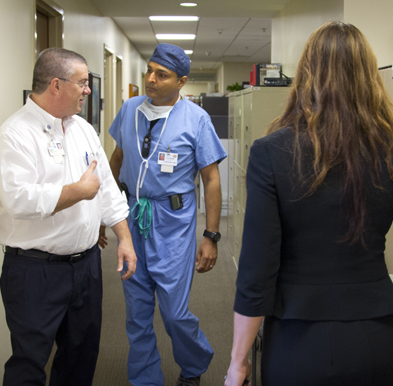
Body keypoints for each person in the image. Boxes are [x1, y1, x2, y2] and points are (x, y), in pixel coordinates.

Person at [224, 21, 393, 386]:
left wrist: (238, 363)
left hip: (299, 345)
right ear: (368, 78)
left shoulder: (272, 153)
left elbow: (256, 273)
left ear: (306, 74)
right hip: (380, 344)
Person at [0, 48, 137, 386]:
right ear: (56, 85)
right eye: (82, 83)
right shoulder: (15, 134)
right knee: (29, 363)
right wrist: (78, 192)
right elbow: (19, 199)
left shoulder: (83, 129)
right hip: (35, 272)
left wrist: (124, 238)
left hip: (85, 268)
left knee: (80, 358)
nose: (88, 90)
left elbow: (107, 189)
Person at [101, 43, 227, 386]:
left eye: (162, 74)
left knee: (174, 312)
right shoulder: (129, 109)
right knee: (137, 311)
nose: (151, 79)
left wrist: (211, 235)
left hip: (173, 222)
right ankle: (146, 379)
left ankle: (194, 365)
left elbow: (211, 179)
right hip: (131, 218)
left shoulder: (196, 119)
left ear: (182, 81)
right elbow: (116, 160)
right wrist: (102, 215)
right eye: (149, 70)